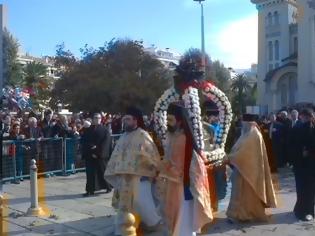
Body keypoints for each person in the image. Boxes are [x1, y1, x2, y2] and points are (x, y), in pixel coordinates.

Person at [104, 107, 162, 235]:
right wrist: (114, 170)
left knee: (141, 203)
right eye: (124, 119)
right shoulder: (123, 136)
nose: (125, 122)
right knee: (123, 205)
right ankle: (121, 229)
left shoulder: (143, 135)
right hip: (124, 177)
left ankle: (154, 223)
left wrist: (150, 169)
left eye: (128, 119)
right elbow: (116, 154)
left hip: (140, 177)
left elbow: (151, 155)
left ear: (136, 120)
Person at [160, 103, 213, 236]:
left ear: (179, 121)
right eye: (167, 119)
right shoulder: (174, 136)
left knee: (183, 220)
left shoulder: (182, 139)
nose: (168, 123)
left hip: (182, 185)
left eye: (171, 120)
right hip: (175, 183)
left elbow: (180, 167)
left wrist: (161, 167)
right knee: (180, 219)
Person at [225, 113, 277, 222]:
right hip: (243, 169)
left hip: (249, 170)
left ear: (247, 122)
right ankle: (237, 214)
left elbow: (245, 153)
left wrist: (229, 157)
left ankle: (245, 214)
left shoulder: (253, 134)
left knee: (247, 194)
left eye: (243, 122)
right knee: (240, 193)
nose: (242, 124)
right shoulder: (248, 133)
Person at [290, 109, 315, 221]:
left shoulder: (312, 128)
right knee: (302, 189)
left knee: (309, 189)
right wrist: (301, 152)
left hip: (310, 164)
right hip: (301, 164)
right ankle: (301, 211)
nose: (308, 119)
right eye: (306, 117)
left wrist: (309, 151)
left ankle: (308, 211)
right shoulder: (297, 129)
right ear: (302, 117)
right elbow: (291, 145)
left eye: (310, 117)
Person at [81, 113, 112, 196]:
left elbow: (106, 143)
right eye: (95, 118)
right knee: (90, 173)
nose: (97, 119)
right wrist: (91, 149)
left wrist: (98, 153)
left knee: (102, 172)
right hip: (90, 155)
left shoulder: (105, 130)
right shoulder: (88, 129)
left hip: (100, 156)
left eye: (99, 118)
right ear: (93, 119)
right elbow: (84, 140)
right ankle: (89, 190)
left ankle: (108, 186)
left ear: (101, 119)